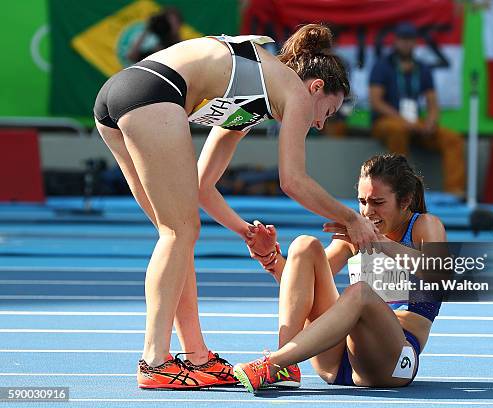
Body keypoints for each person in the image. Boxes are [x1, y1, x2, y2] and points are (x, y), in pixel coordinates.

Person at [93, 24, 379, 389]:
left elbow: (202, 185)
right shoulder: (293, 91)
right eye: (329, 110)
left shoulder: (253, 99)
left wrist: (244, 230)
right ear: (316, 88)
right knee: (179, 232)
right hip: (152, 91)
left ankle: (196, 356)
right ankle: (154, 360)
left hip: (120, 94)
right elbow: (292, 181)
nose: (321, 122)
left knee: (178, 238)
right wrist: (351, 218)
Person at [233, 153, 446, 392]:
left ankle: (273, 363)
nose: (367, 212)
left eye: (377, 202)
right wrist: (270, 258)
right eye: (362, 202)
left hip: (393, 361)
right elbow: (301, 290)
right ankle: (284, 367)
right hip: (336, 359)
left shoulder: (425, 226)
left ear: (405, 201)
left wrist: (379, 243)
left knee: (360, 293)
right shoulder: (355, 237)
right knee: (304, 246)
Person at [369, 22, 466, 196]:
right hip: (387, 122)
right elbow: (376, 102)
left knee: (452, 138)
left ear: (415, 43)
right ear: (395, 41)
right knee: (398, 130)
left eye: (410, 40)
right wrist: (404, 120)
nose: (406, 44)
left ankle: (455, 192)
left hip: (414, 122)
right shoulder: (383, 65)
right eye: (403, 39)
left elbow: (432, 103)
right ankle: (400, 190)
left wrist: (431, 121)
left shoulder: (422, 68)